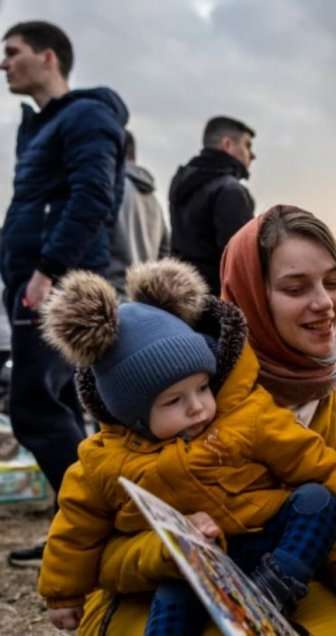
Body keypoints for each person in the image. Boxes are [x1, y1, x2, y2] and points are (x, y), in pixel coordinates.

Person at [78, 206, 336, 635]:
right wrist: (174, 552)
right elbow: (97, 553)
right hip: (156, 596)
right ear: (249, 297)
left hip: (283, 585)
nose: (324, 303)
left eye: (333, 283)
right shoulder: (171, 383)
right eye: (296, 288)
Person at [37, 259, 336, 633]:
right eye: (173, 401)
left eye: (201, 388)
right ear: (134, 415)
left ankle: (274, 589)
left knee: (317, 501)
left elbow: (304, 452)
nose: (197, 406)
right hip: (190, 568)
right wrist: (63, 595)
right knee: (171, 597)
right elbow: (74, 530)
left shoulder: (244, 418)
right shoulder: (104, 462)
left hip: (262, 539)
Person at [0, 20, 127, 567]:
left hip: (55, 283)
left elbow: (94, 195)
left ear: (48, 57)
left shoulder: (87, 115)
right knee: (61, 408)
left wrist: (47, 271)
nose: (3, 63)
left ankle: (94, 526)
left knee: (33, 405)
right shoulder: (37, 127)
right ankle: (78, 529)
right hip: (30, 279)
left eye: (13, 52)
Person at [169, 115, 256, 296]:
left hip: (182, 297)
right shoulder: (230, 190)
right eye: (247, 145)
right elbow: (241, 264)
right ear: (227, 145)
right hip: (218, 304)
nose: (252, 155)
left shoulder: (182, 184)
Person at [105, 130, 170, 296]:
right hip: (142, 298)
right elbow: (165, 254)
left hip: (108, 293)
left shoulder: (109, 189)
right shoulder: (154, 200)